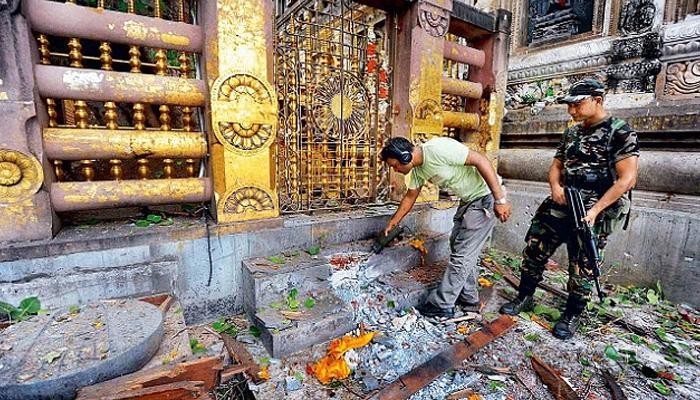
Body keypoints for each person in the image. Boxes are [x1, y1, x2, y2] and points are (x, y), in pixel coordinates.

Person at [499, 78, 640, 340]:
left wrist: (596, 210)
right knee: (535, 248)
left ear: (597, 100)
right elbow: (556, 166)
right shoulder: (572, 132)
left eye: (577, 105)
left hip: (593, 208)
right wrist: (555, 187)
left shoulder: (619, 132)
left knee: (583, 263)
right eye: (569, 106)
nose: (571, 111)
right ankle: (524, 297)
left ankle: (572, 313)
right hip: (562, 201)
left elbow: (627, 179)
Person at [380, 136, 512, 318]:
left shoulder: (437, 149)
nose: (395, 170)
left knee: (462, 254)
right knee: (460, 247)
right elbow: (410, 197)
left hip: (485, 198)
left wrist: (500, 199)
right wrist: (394, 221)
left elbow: (481, 160)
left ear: (405, 157)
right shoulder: (417, 171)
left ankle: (442, 304)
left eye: (395, 165)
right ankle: (469, 299)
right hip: (469, 200)